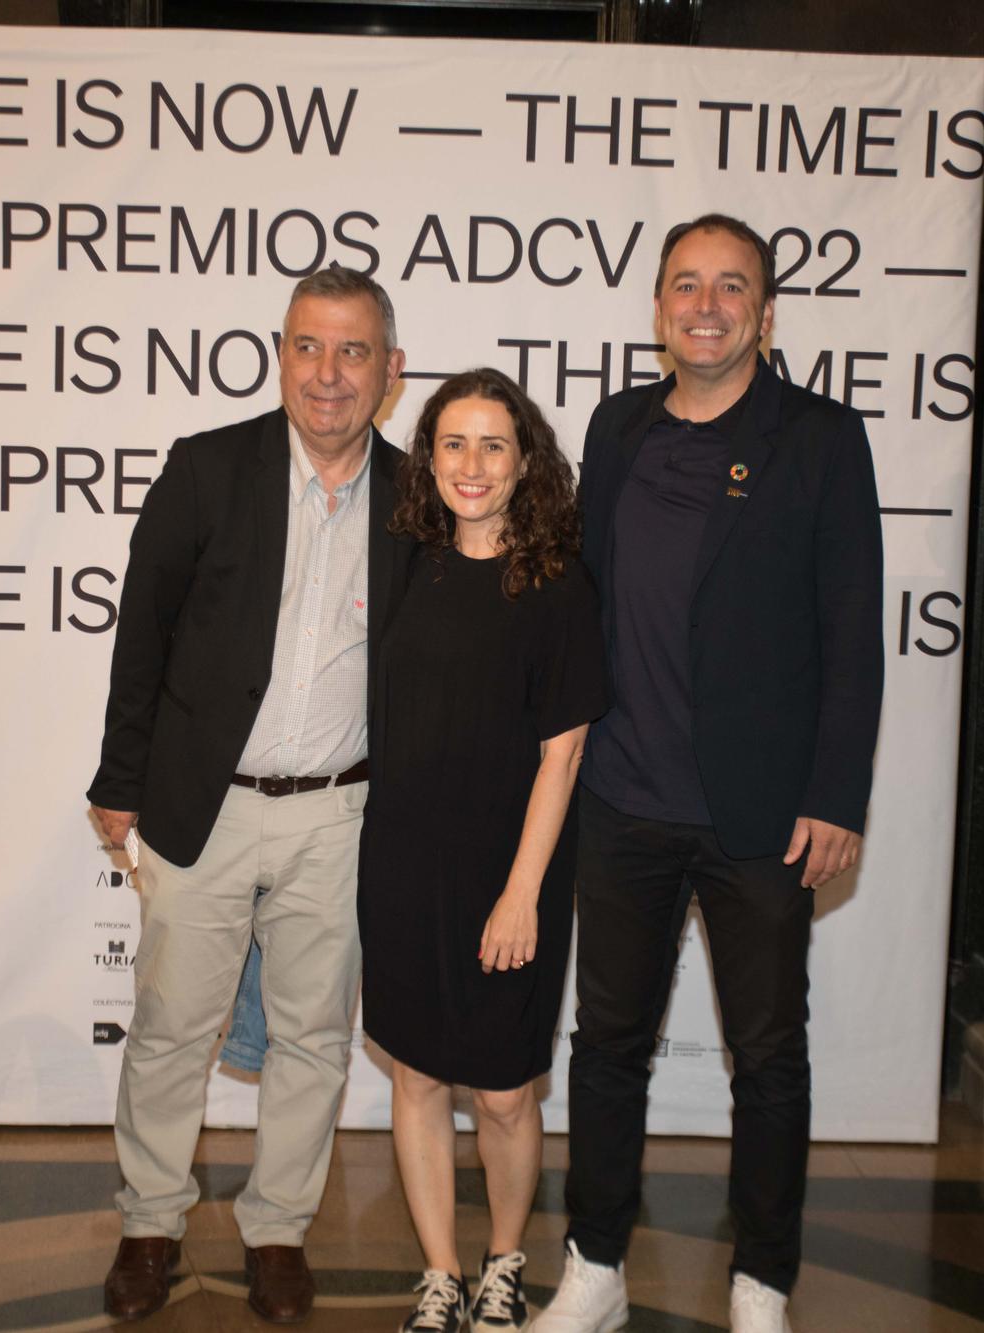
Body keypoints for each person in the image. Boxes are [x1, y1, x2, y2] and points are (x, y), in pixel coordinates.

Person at [531, 214, 884, 1333]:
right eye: (685, 284)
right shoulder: (618, 425)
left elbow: (850, 629)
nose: (705, 304)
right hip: (622, 798)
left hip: (763, 817)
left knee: (768, 1056)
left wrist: (835, 794)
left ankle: (760, 1281)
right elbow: (583, 599)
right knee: (604, 1048)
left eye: (730, 286)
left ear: (765, 314)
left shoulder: (820, 438)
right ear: (655, 311)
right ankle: (594, 1264)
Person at [84, 265, 411, 1324]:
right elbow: (143, 634)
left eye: (352, 350)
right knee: (173, 1022)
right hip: (203, 804)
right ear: (280, 357)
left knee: (314, 1034)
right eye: (309, 347)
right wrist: (119, 780)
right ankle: (150, 1220)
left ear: (389, 372)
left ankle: (278, 1230)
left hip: (342, 815)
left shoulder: (419, 499)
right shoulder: (205, 469)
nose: (329, 373)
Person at [360, 369, 608, 1333]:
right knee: (418, 1076)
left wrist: (521, 894)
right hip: (403, 866)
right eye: (453, 444)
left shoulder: (556, 582)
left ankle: (503, 1263)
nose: (471, 465)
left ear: (524, 461)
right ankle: (439, 1272)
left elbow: (565, 753)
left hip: (512, 870)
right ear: (429, 458)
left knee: (503, 1092)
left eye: (493, 445)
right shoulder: (405, 563)